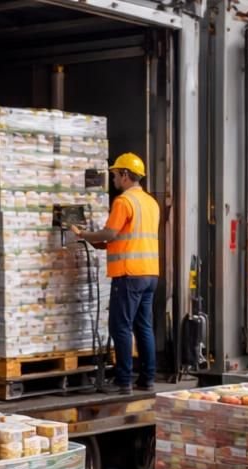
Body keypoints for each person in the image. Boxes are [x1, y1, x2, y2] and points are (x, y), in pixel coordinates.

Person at [71, 152, 161, 393]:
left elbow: (110, 234)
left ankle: (123, 380)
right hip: (150, 273)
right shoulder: (151, 203)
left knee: (120, 327)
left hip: (128, 273)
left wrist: (83, 234)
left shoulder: (124, 201)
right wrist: (94, 241)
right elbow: (123, 238)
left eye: (115, 175)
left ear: (125, 175)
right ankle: (147, 379)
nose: (113, 179)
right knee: (144, 327)